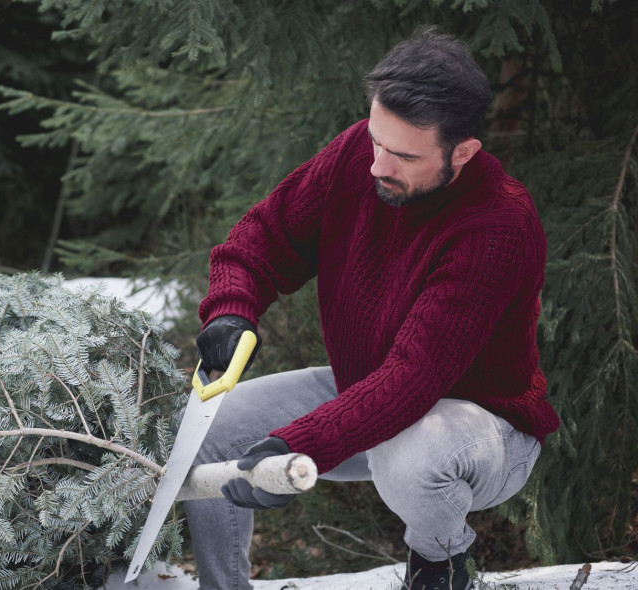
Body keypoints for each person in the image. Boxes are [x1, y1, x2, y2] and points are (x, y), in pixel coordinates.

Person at [185, 26, 561, 590]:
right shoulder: (361, 153)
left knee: (412, 455)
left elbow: (413, 380)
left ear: (462, 152)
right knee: (212, 430)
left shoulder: (497, 225)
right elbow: (263, 236)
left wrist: (298, 445)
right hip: (365, 392)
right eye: (376, 140)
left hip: (480, 428)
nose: (377, 165)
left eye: (404, 155)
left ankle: (443, 562)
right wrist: (232, 309)